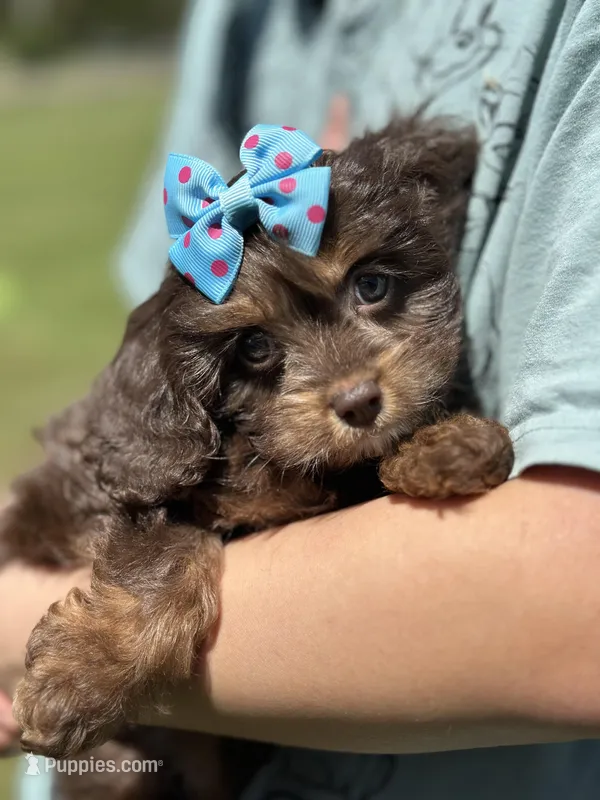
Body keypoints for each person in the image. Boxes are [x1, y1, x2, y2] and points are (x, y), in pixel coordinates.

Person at [3, 0, 600, 797]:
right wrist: (133, 616)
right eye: (258, 349)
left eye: (373, 288)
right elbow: (131, 492)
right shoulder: (236, 20)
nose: (351, 383)